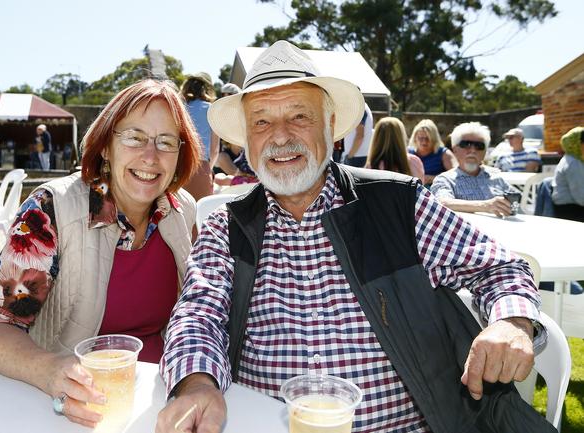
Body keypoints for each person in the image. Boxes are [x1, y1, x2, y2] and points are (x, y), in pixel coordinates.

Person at [157, 41, 553, 433]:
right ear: (247, 138)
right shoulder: (227, 225)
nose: (279, 136)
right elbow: (197, 315)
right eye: (261, 121)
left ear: (331, 128)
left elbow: (500, 268)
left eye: (299, 116)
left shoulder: (399, 204)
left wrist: (512, 322)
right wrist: (196, 383)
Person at [0, 79, 201, 428]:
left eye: (166, 142)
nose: (150, 157)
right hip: (72, 409)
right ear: (107, 145)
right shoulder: (51, 210)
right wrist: (49, 371)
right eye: (135, 137)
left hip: (158, 403)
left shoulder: (183, 210)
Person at [431, 122, 519, 218]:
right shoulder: (444, 180)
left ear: (485, 152)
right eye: (466, 144)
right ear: (455, 149)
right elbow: (442, 203)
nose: (472, 150)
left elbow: (517, 206)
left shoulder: (497, 178)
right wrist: (485, 206)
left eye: (479, 146)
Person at [180, 72, 219, 201]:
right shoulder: (212, 110)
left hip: (180, 167)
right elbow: (215, 150)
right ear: (207, 89)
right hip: (202, 167)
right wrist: (208, 169)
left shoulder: (180, 109)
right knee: (202, 216)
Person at [409, 118, 458, 185]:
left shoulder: (444, 153)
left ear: (434, 139)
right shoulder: (408, 153)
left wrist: (433, 178)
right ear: (415, 138)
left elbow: (456, 174)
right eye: (421, 138)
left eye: (427, 138)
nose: (424, 142)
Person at [551, 126, 584, 222]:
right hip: (569, 210)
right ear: (577, 144)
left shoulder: (575, 159)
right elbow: (580, 197)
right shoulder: (573, 163)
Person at [343, 101, 373, 167]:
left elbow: (360, 136)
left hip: (355, 157)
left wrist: (349, 156)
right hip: (356, 156)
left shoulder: (359, 107)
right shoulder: (361, 106)